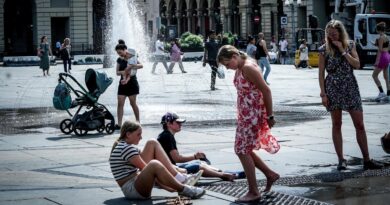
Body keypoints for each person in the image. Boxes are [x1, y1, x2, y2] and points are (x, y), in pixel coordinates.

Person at [217, 45, 280, 203]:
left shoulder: (248, 67)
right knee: (244, 149)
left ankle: (254, 191)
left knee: (241, 150)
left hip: (253, 116)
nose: (227, 67)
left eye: (227, 64)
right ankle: (270, 174)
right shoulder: (241, 66)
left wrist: (270, 116)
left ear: (233, 56)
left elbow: (266, 90)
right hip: (246, 115)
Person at [318, 20, 383, 171]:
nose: (332, 36)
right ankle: (341, 159)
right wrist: (323, 93)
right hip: (333, 87)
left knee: (359, 124)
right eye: (329, 33)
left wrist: (343, 50)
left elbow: (357, 64)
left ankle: (367, 159)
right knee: (337, 124)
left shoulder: (351, 45)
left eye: (335, 33)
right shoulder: (323, 49)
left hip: (350, 86)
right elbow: (321, 73)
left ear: (341, 33)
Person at [109, 121, 206, 200]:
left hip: (134, 187)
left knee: (152, 143)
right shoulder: (126, 149)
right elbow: (147, 169)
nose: (141, 137)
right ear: (128, 134)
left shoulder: (124, 146)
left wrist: (175, 169)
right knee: (154, 164)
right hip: (133, 191)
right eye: (138, 134)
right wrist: (168, 188)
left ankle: (180, 178)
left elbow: (150, 163)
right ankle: (184, 189)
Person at [157, 112, 236, 182]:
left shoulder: (166, 135)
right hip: (170, 170)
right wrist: (195, 156)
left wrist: (196, 158)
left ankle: (220, 172)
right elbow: (177, 158)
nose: (180, 124)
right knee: (198, 166)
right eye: (177, 122)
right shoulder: (167, 136)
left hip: (170, 167)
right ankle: (223, 175)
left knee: (198, 163)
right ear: (168, 124)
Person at [114, 44, 142, 128]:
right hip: (122, 83)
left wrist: (133, 66)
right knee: (120, 103)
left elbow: (141, 66)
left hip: (132, 83)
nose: (119, 54)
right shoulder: (119, 60)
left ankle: (138, 122)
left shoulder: (132, 57)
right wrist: (123, 72)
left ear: (125, 49)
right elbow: (117, 72)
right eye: (118, 53)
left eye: (120, 52)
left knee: (132, 103)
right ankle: (119, 124)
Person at [372, 22, 390, 102]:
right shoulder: (387, 37)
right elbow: (387, 48)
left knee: (374, 75)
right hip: (387, 56)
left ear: (378, 30)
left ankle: (381, 92)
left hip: (382, 56)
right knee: (386, 77)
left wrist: (377, 61)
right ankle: (388, 94)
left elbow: (379, 50)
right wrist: (376, 44)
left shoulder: (380, 38)